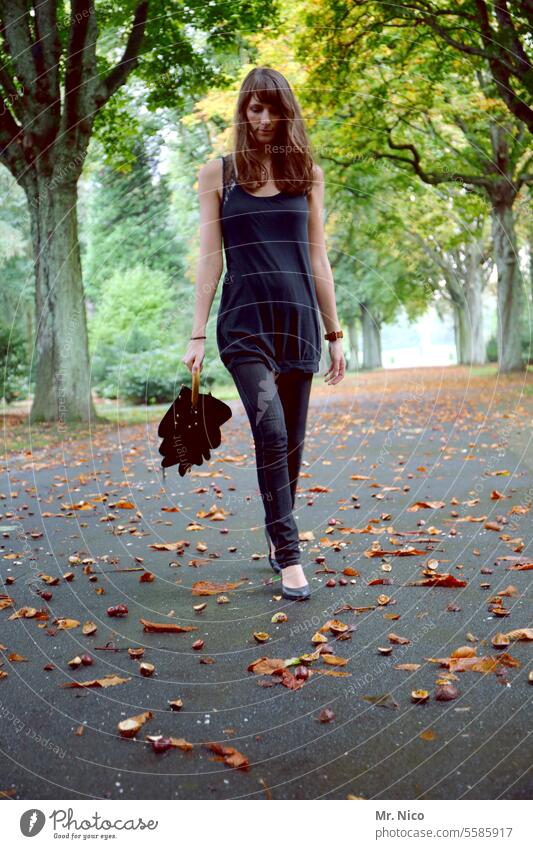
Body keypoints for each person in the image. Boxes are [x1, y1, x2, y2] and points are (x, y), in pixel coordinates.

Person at [182, 66, 345, 600]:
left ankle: (278, 538)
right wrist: (197, 333)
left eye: (275, 108)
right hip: (244, 322)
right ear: (243, 111)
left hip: (298, 320)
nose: (266, 118)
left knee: (291, 445)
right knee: (270, 430)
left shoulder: (307, 174)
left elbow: (317, 255)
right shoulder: (219, 174)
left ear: (287, 112)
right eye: (256, 108)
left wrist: (335, 332)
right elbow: (210, 258)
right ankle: (290, 553)